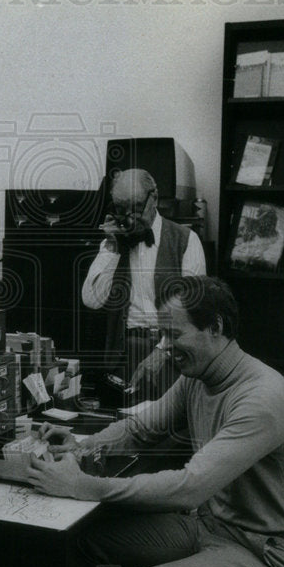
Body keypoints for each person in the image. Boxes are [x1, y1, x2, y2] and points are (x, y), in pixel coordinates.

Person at [29, 276, 284, 567]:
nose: (164, 347)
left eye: (174, 335)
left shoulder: (261, 398)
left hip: (266, 555)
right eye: (163, 335)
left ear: (215, 327)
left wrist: (82, 485)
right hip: (211, 525)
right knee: (83, 545)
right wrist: (82, 448)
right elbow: (139, 429)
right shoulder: (198, 375)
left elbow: (189, 487)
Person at [81, 169, 205, 400]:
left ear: (154, 198)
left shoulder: (186, 240)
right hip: (124, 354)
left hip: (171, 354)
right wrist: (112, 248)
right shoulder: (112, 244)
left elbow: (192, 311)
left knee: (168, 426)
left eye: (136, 207)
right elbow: (92, 300)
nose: (128, 217)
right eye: (120, 209)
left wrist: (160, 353)